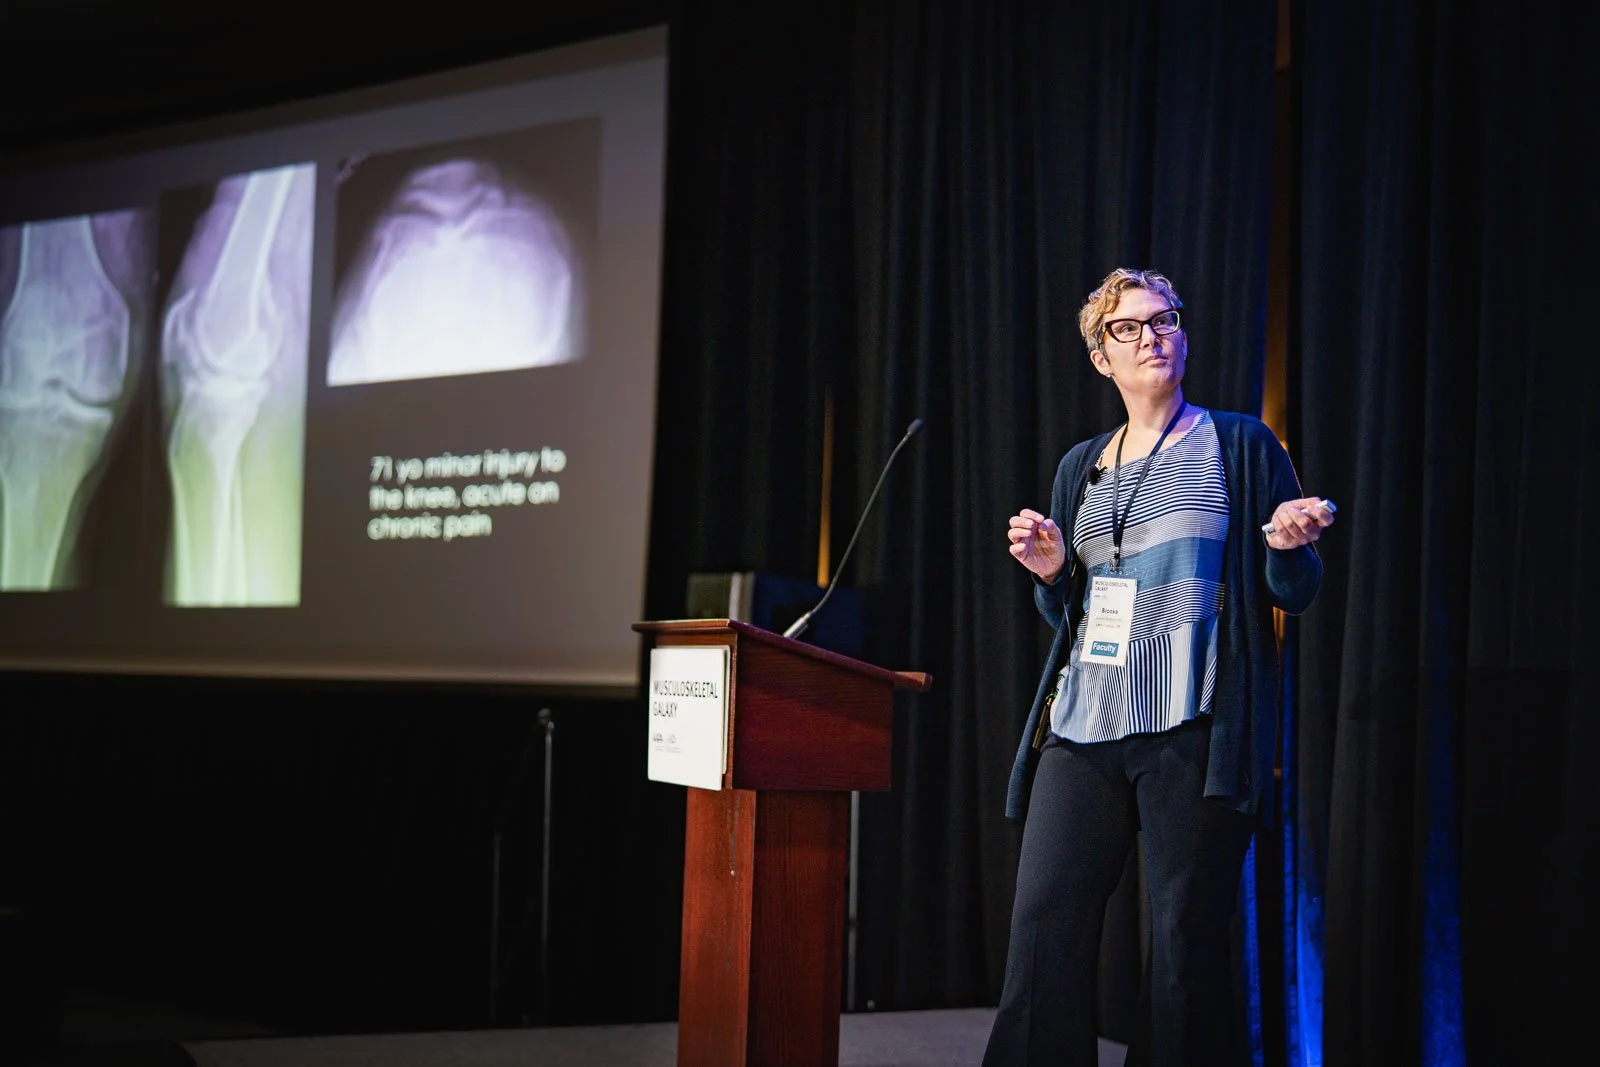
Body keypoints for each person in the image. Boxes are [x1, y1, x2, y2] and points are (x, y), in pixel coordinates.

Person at [983, 268, 1333, 1066]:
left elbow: (1297, 591)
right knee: (1044, 926)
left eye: (1165, 320)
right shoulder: (1081, 466)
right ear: (1101, 357)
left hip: (1194, 722)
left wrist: (1287, 545)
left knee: (1184, 945)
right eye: (1130, 327)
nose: (1153, 336)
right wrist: (1050, 573)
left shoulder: (1241, 445)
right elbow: (1070, 614)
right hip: (1083, 722)